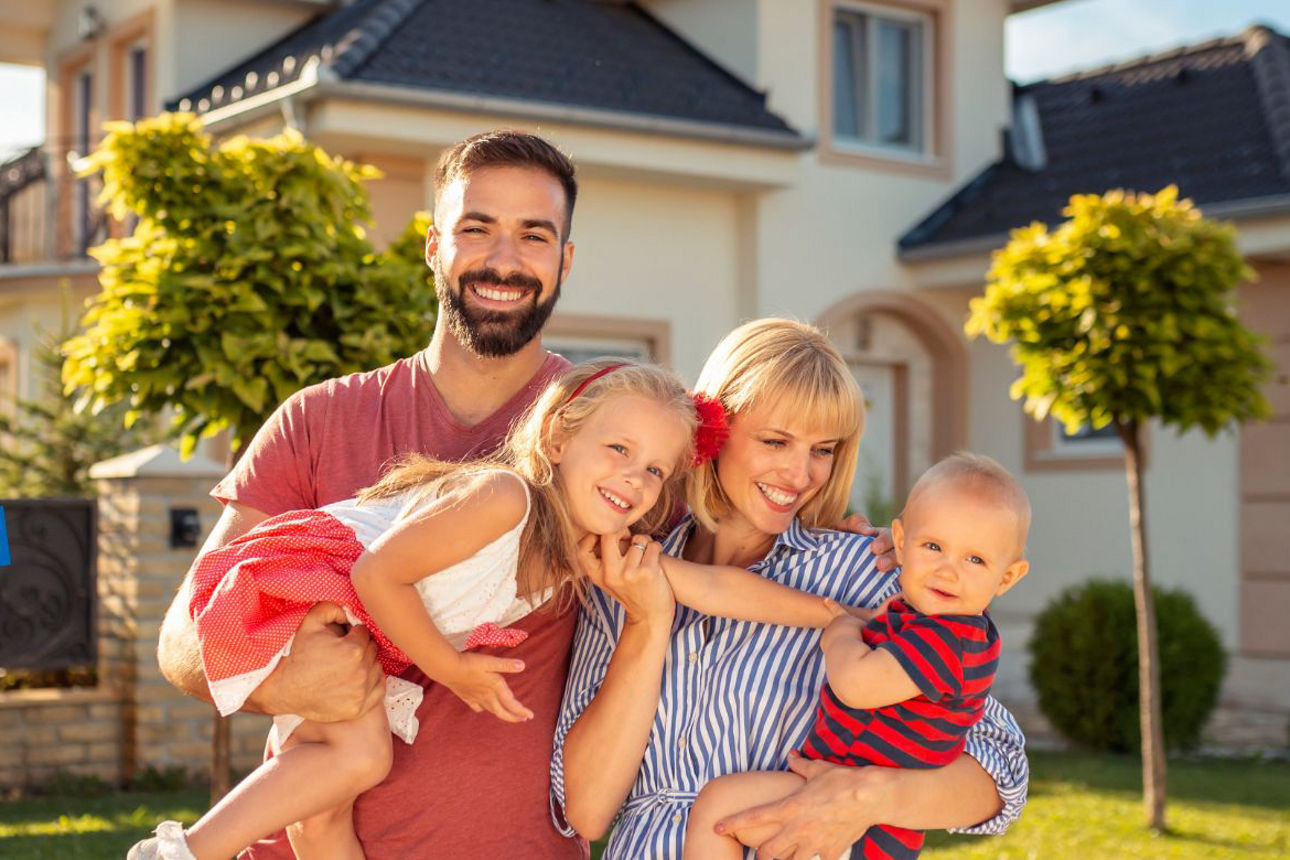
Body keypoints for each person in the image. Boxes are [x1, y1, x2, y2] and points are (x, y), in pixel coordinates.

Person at [140, 359, 859, 860]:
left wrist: (829, 612)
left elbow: (712, 588)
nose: (635, 480)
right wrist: (450, 669)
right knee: (353, 761)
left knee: (330, 797)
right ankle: (182, 853)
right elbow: (376, 571)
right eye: (617, 449)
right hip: (313, 584)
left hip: (354, 613)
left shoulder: (583, 550)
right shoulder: (505, 499)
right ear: (556, 437)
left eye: (655, 471)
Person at [156, 129, 592, 858]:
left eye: (534, 236)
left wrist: (858, 787)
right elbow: (183, 636)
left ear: (564, 261)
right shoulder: (319, 418)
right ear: (432, 246)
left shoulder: (602, 436)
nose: (504, 261)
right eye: (476, 229)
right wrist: (285, 683)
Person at [554, 319, 1029, 860]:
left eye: (822, 450)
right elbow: (587, 811)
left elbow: (1003, 774)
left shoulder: (870, 573)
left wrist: (870, 797)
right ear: (716, 430)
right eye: (775, 441)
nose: (799, 474)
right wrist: (647, 621)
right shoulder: (625, 573)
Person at [684, 452, 1032, 859]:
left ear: (1007, 577)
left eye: (975, 559)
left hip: (863, 823)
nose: (947, 570)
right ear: (901, 541)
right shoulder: (919, 618)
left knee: (720, 808)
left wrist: (842, 632)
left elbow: (857, 686)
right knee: (724, 809)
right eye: (933, 546)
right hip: (840, 793)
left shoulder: (953, 638)